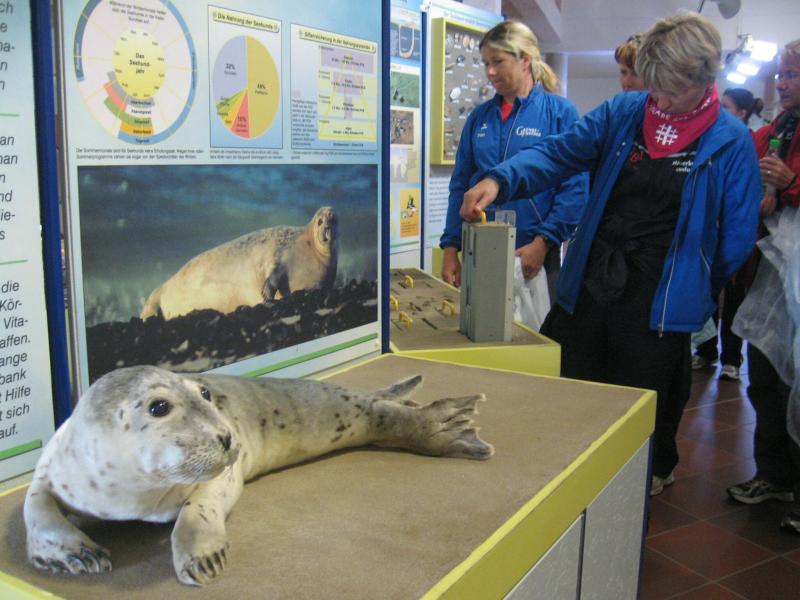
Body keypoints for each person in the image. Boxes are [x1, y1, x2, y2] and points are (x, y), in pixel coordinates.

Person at [459, 12, 760, 496]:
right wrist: (500, 178)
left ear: (703, 80)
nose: (660, 99)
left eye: (671, 90)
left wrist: (698, 284)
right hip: (595, 274)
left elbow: (736, 238)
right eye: (654, 85)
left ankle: (637, 484)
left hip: (661, 294)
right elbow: (558, 153)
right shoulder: (626, 112)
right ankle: (570, 479)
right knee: (576, 382)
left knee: (643, 396)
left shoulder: (730, 141)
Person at [439, 19, 587, 301]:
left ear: (525, 60)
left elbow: (574, 189)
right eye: (485, 63)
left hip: (535, 255)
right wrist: (450, 248)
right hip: (481, 250)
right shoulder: (479, 118)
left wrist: (543, 242)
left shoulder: (559, 114)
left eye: (498, 61)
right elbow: (460, 185)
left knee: (535, 328)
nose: (490, 71)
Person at [726, 40, 800, 533]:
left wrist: (791, 185)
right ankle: (773, 474)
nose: (782, 82)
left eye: (792, 74)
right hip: (770, 271)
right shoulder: (773, 132)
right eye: (780, 74)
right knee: (767, 377)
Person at [693, 87, 760, 380]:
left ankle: (731, 358)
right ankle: (706, 349)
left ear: (742, 113)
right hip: (709, 234)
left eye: (728, 107)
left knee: (733, 299)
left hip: (735, 237)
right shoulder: (710, 140)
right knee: (705, 294)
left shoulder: (748, 142)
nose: (720, 111)